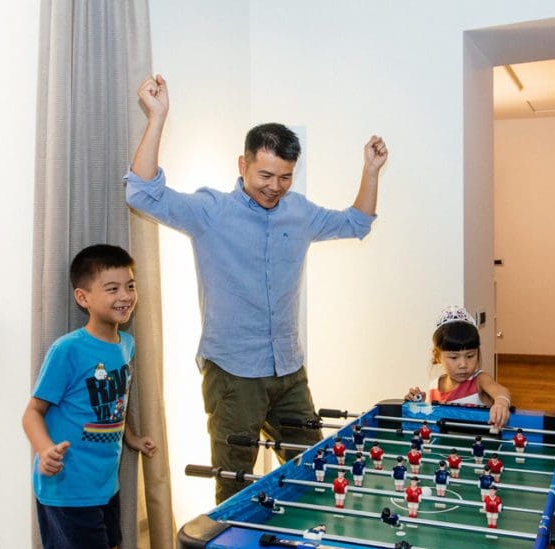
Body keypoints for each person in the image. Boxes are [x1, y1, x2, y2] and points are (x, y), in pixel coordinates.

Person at [127, 74, 388, 504]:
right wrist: (157, 117)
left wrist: (371, 171)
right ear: (242, 164)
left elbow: (357, 222)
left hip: (288, 370)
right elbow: (142, 193)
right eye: (266, 174)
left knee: (315, 470)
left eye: (285, 177)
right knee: (235, 485)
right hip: (233, 374)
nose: (275, 186)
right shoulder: (211, 211)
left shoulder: (299, 212)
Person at [22, 244, 158, 549]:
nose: (124, 296)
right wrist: (44, 450)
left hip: (105, 485)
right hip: (69, 486)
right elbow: (31, 412)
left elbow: (114, 401)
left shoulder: (125, 346)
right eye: (112, 288)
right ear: (84, 298)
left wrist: (130, 436)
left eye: (129, 286)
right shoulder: (68, 350)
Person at [405, 306, 511, 431]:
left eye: (470, 356)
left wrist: (501, 403)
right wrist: (419, 405)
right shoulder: (434, 386)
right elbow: (432, 422)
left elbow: (501, 391)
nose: (463, 364)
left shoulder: (480, 380)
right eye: (454, 357)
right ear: (437, 356)